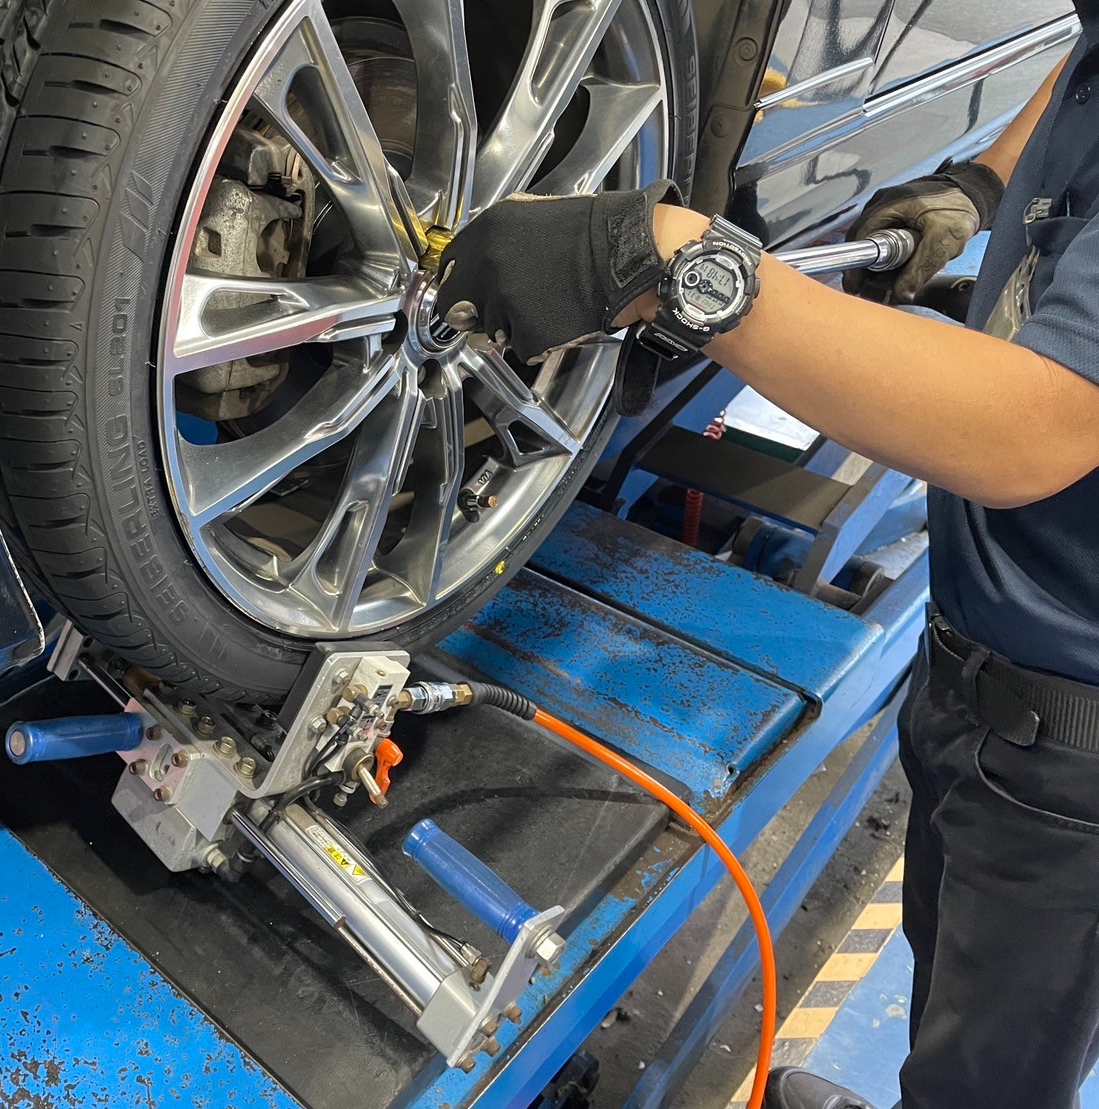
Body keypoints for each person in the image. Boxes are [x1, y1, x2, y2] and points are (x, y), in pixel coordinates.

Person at [435, 6, 1099, 1106]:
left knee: (992, 1070)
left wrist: (673, 265)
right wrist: (980, 182)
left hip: (1070, 752)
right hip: (987, 652)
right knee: (949, 967)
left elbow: (1028, 430)